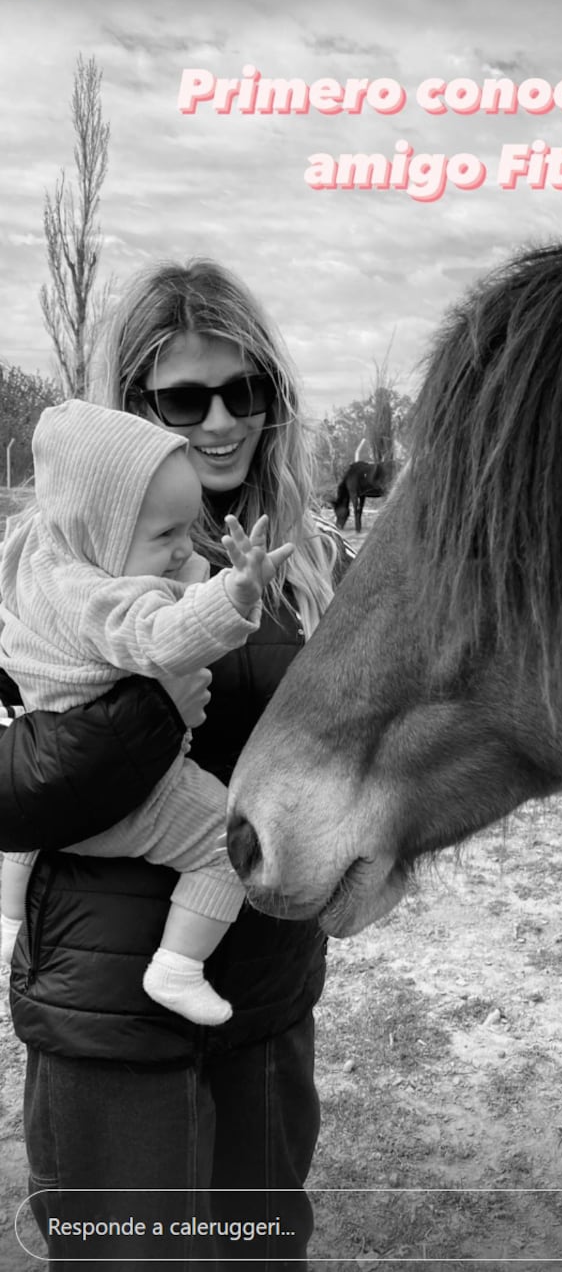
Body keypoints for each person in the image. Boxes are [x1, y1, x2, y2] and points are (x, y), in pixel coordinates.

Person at [0, 261, 349, 1270]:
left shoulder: (313, 560)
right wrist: (149, 716)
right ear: (130, 406)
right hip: (107, 1011)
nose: (222, 420)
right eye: (184, 396)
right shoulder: (42, 561)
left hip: (265, 998)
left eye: (245, 390)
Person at [0, 400, 294, 1027]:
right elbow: (160, 636)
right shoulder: (100, 597)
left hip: (53, 788)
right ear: (100, 529)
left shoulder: (44, 552)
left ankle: (7, 919)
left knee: (32, 830)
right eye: (165, 535)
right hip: (133, 795)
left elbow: (151, 575)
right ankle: (177, 967)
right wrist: (232, 595)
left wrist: (177, 560)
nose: (184, 546)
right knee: (229, 842)